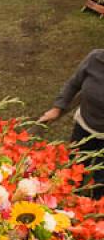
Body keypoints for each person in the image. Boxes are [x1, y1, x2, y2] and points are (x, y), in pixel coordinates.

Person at [39, 49, 104, 198]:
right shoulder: (95, 58)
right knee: (75, 168)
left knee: (102, 180)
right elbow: (73, 84)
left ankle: (96, 209)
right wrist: (57, 108)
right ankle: (70, 199)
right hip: (84, 125)